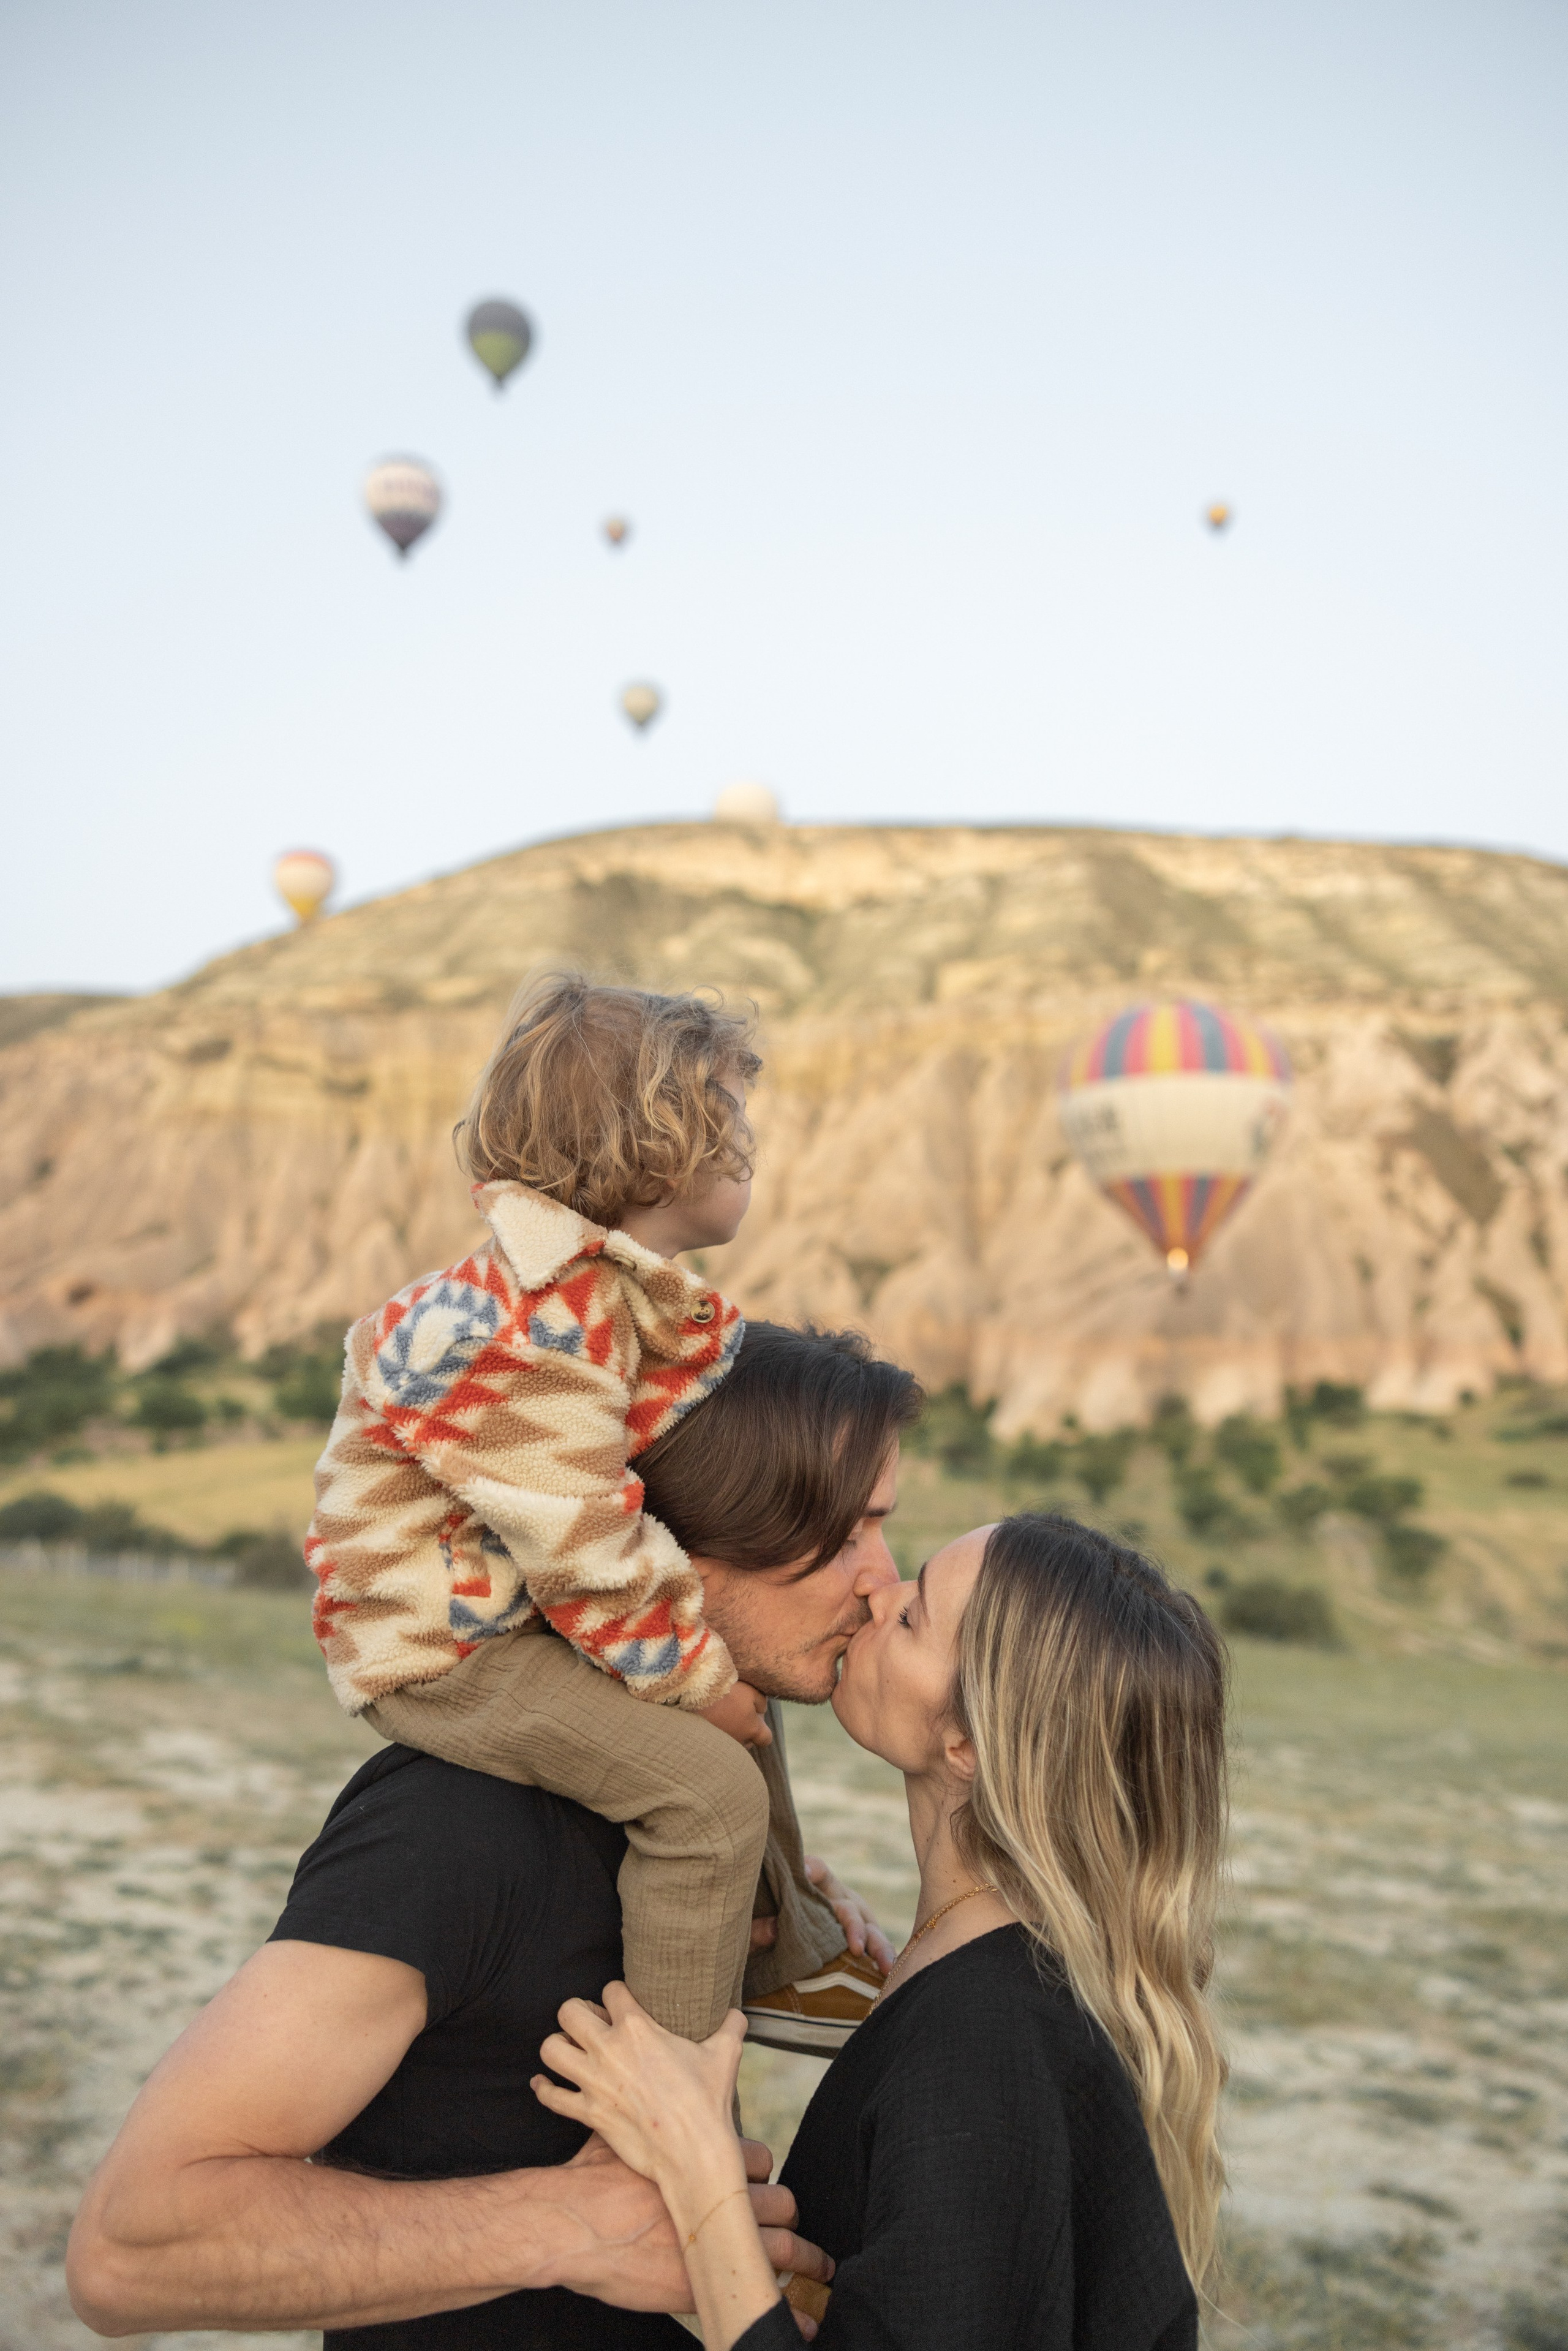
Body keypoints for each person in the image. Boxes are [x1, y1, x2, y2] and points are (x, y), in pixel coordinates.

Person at [67, 1319, 919, 2347]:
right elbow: (130, 2246)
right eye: (847, 1534)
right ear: (673, 1544)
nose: (884, 1579)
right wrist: (567, 2224)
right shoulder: (460, 1821)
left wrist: (795, 1912)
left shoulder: (689, 1813)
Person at [309, 974, 888, 2045]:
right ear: (660, 1140)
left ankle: (783, 1955)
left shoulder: (596, 1292)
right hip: (444, 1648)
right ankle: (670, 2078)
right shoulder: (533, 1321)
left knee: (736, 1703)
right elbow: (580, 1542)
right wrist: (694, 1681)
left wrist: (709, 1674)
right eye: (732, 1112)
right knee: (708, 1796)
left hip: (506, 1614)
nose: (751, 1141)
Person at [532, 1512, 1227, 2351]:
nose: (877, 1594)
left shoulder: (986, 2043)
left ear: (966, 1741)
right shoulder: (990, 1969)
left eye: (912, 1614)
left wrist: (695, 2162)